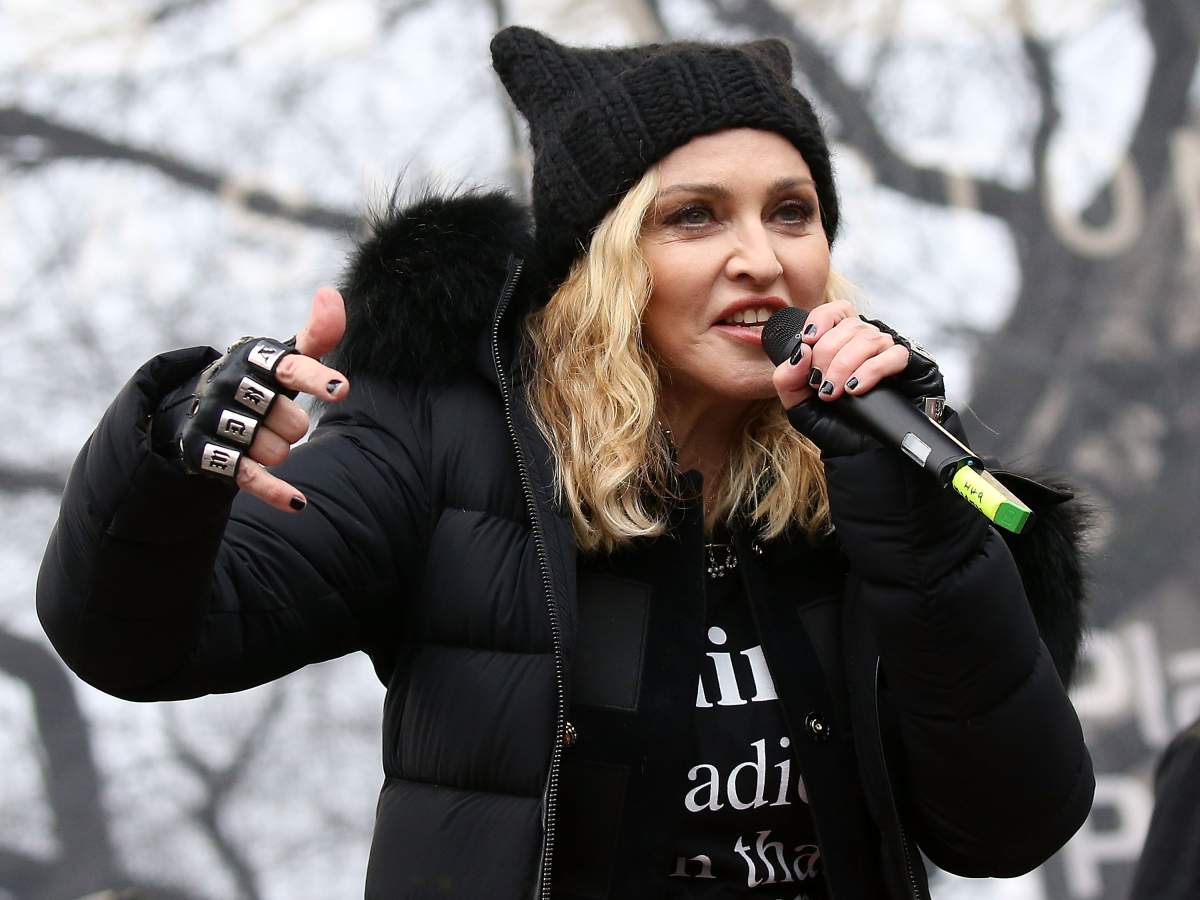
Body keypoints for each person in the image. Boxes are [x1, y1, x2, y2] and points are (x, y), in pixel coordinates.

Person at [37, 26, 1094, 900]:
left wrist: (919, 531)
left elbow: (1008, 828)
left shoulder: (881, 466)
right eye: (693, 217)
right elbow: (131, 645)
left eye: (792, 212)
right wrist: (170, 462)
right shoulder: (448, 446)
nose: (762, 260)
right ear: (600, 263)